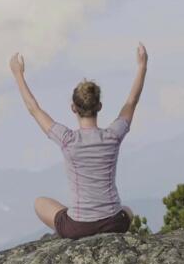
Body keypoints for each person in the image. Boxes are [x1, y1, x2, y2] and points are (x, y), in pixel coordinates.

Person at [10, 43, 148, 240]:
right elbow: (131, 101)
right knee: (128, 210)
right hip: (114, 223)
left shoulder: (67, 140)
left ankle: (77, 214)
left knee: (40, 203)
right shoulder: (113, 136)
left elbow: (34, 109)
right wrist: (142, 66)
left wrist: (18, 74)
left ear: (73, 108)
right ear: (99, 106)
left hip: (78, 228)